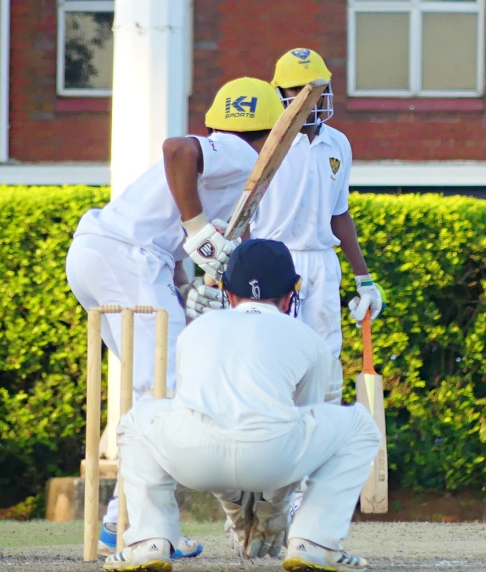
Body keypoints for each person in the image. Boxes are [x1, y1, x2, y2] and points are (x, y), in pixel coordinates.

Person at [65, 76, 285, 557]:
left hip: (101, 254)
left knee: (154, 391)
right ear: (270, 133)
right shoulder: (241, 154)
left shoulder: (228, 154)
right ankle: (133, 529)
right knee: (168, 393)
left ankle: (122, 524)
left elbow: (173, 228)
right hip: (128, 258)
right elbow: (176, 149)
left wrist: (185, 281)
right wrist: (197, 228)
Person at [102, 238, 382, 572]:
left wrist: (237, 510)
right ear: (292, 294)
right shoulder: (309, 340)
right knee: (360, 425)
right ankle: (315, 541)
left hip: (192, 458)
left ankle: (149, 540)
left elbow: (208, 419)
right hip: (275, 456)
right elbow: (299, 425)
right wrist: (274, 512)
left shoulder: (196, 330)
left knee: (136, 421)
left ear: (227, 293)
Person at [250, 47, 384, 406]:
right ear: (281, 94)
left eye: (317, 89)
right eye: (297, 90)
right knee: (276, 358)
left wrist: (364, 278)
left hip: (322, 261)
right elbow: (244, 211)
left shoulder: (338, 143)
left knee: (324, 359)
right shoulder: (265, 142)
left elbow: (339, 214)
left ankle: (320, 443)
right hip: (275, 259)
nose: (309, 98)